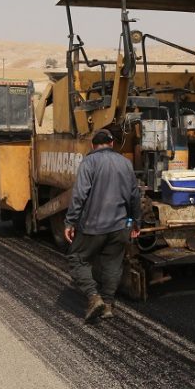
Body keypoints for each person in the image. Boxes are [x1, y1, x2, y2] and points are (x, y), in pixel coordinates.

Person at [64, 128, 141, 322]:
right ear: (112, 144)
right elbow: (134, 195)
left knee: (76, 258)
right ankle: (107, 304)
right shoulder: (126, 163)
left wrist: (70, 221)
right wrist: (136, 221)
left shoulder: (89, 162)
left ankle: (93, 297)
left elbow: (79, 195)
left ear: (93, 145)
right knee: (112, 264)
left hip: (93, 226)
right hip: (120, 226)